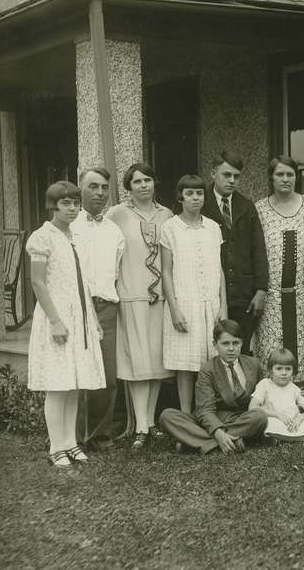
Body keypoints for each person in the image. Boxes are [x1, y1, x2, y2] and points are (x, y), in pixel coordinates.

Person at [26, 181, 106, 468]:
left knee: (74, 385)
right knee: (58, 384)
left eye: (75, 203)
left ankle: (71, 443)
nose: (72, 209)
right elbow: (37, 281)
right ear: (53, 206)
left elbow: (82, 284)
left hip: (78, 315)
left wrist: (92, 320)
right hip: (55, 316)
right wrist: (56, 320)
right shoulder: (42, 237)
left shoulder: (75, 237)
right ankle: (56, 446)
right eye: (65, 204)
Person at [107, 163, 174, 447]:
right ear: (129, 186)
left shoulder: (167, 215)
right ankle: (140, 428)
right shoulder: (117, 215)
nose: (144, 185)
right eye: (137, 181)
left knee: (156, 361)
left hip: (160, 298)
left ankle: (150, 421)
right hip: (131, 294)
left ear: (155, 182)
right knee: (137, 361)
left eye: (148, 180)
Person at [161, 175, 229, 413]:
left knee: (211, 361)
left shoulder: (212, 227)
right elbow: (166, 272)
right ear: (180, 197)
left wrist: (223, 307)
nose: (195, 198)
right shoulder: (170, 228)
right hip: (185, 303)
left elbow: (219, 270)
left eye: (199, 193)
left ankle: (207, 412)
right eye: (189, 194)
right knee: (185, 363)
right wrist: (174, 309)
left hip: (210, 303)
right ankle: (186, 415)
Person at [254, 156, 304, 391]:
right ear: (271, 177)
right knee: (273, 342)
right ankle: (272, 393)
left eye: (290, 174)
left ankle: (301, 391)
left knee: (301, 341)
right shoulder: (260, 208)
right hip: (272, 292)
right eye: (280, 174)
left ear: (296, 177)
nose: (285, 179)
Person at [71, 167, 124, 450]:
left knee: (106, 373)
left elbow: (115, 272)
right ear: (80, 188)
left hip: (106, 307)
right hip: (77, 307)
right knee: (78, 372)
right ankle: (74, 436)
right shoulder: (70, 226)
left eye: (104, 187)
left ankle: (101, 434)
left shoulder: (114, 231)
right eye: (93, 186)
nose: (100, 193)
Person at [158, 320, 268, 454]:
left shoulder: (253, 364)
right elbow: (204, 410)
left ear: (242, 343)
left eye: (236, 343)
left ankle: (197, 442)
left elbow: (264, 396)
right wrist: (217, 432)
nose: (231, 349)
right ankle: (231, 440)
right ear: (215, 345)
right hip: (213, 417)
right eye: (225, 344)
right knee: (167, 416)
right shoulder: (208, 369)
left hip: (241, 419)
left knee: (260, 416)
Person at [202, 151, 268, 356]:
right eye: (226, 175)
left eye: (236, 176)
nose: (232, 181)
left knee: (241, 347)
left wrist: (261, 290)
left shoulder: (246, 206)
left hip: (243, 294)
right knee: (212, 349)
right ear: (213, 174)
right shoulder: (200, 202)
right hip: (210, 292)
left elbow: (258, 249)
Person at [249, 348, 304, 442]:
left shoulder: (294, 388)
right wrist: (278, 415)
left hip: (294, 422)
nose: (284, 373)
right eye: (279, 368)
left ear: (293, 371)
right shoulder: (264, 384)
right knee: (269, 425)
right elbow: (252, 407)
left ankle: (283, 438)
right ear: (270, 370)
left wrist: (299, 419)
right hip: (276, 420)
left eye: (288, 369)